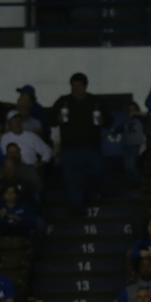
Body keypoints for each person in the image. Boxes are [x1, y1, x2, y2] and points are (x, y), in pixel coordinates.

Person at [52, 72, 109, 213]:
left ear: (85, 86)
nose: (75, 88)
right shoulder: (63, 101)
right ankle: (77, 206)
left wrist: (103, 121)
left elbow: (109, 120)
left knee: (97, 172)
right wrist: (57, 119)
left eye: (78, 85)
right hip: (70, 148)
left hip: (91, 147)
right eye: (73, 85)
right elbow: (50, 120)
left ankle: (90, 196)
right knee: (71, 179)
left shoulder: (95, 101)